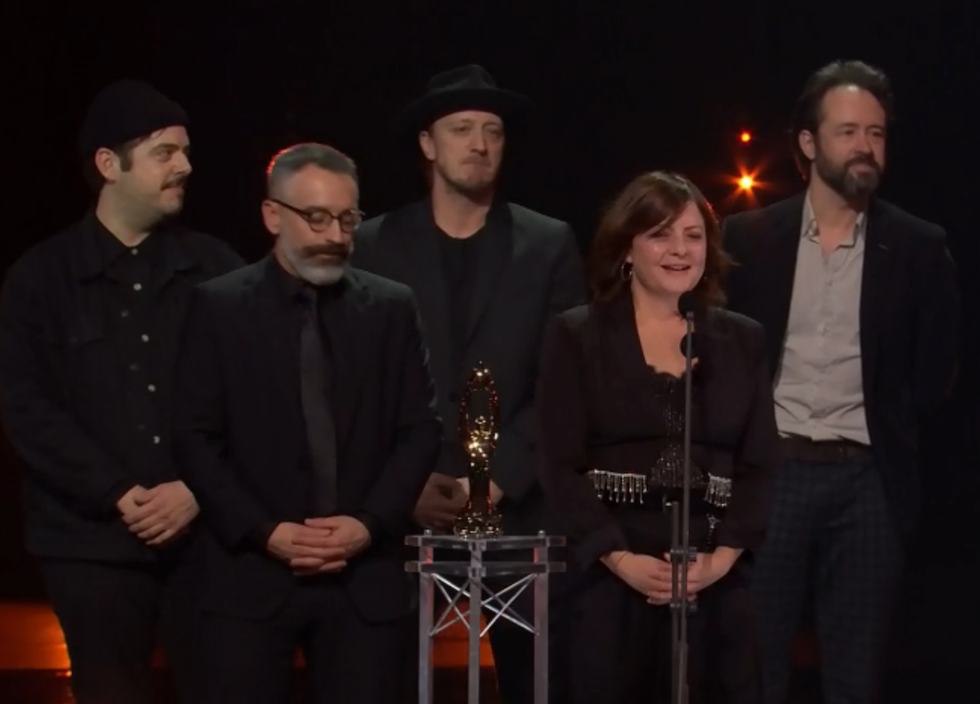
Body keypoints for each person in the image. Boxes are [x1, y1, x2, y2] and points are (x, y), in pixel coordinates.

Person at [721, 60, 959, 704]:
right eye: (848, 131)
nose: (865, 147)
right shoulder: (748, 238)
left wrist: (890, 426)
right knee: (755, 667)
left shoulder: (916, 245)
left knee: (857, 676)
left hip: (868, 484)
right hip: (775, 475)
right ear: (807, 143)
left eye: (877, 134)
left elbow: (937, 368)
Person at [0, 80, 245, 704]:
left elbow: (254, 394)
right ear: (110, 164)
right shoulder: (39, 279)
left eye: (186, 151)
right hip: (89, 546)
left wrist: (195, 488)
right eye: (165, 152)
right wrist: (116, 492)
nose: (185, 166)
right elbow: (25, 406)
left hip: (206, 541)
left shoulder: (217, 270)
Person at [172, 142, 441, 704]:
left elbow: (419, 430)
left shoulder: (392, 309)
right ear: (273, 215)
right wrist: (266, 532)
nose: (336, 235)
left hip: (365, 582)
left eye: (348, 218)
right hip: (249, 579)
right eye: (316, 218)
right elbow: (195, 438)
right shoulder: (217, 307)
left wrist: (367, 525)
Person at [351, 64, 586, 703]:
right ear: (428, 144)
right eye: (461, 129)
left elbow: (564, 381)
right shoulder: (372, 244)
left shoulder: (548, 243)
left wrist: (495, 476)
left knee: (534, 682)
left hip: (517, 505)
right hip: (403, 507)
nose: (479, 144)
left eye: (493, 131)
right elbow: (358, 383)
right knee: (388, 680)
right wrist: (407, 481)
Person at [536, 171, 779, 704]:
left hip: (714, 578)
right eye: (660, 234)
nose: (679, 250)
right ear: (627, 248)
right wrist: (620, 560)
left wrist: (720, 561)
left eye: (693, 236)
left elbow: (759, 465)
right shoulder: (578, 335)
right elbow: (558, 463)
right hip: (610, 575)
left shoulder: (742, 339)